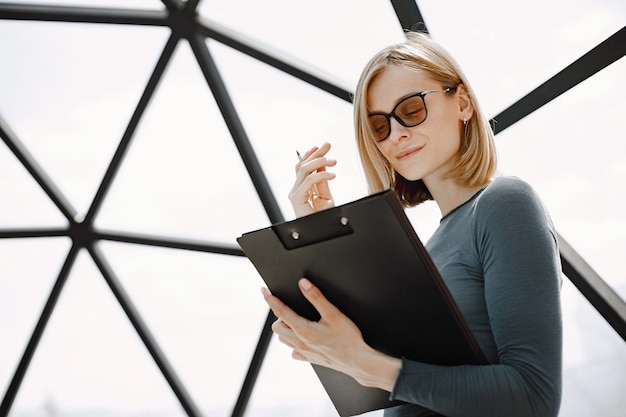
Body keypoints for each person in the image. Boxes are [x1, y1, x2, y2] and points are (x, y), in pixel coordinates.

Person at [261, 31, 562, 417]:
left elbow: (533, 399)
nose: (397, 134)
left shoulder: (504, 205)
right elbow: (387, 379)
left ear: (464, 103)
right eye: (379, 126)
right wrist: (317, 234)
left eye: (412, 109)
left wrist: (368, 364)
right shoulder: (426, 253)